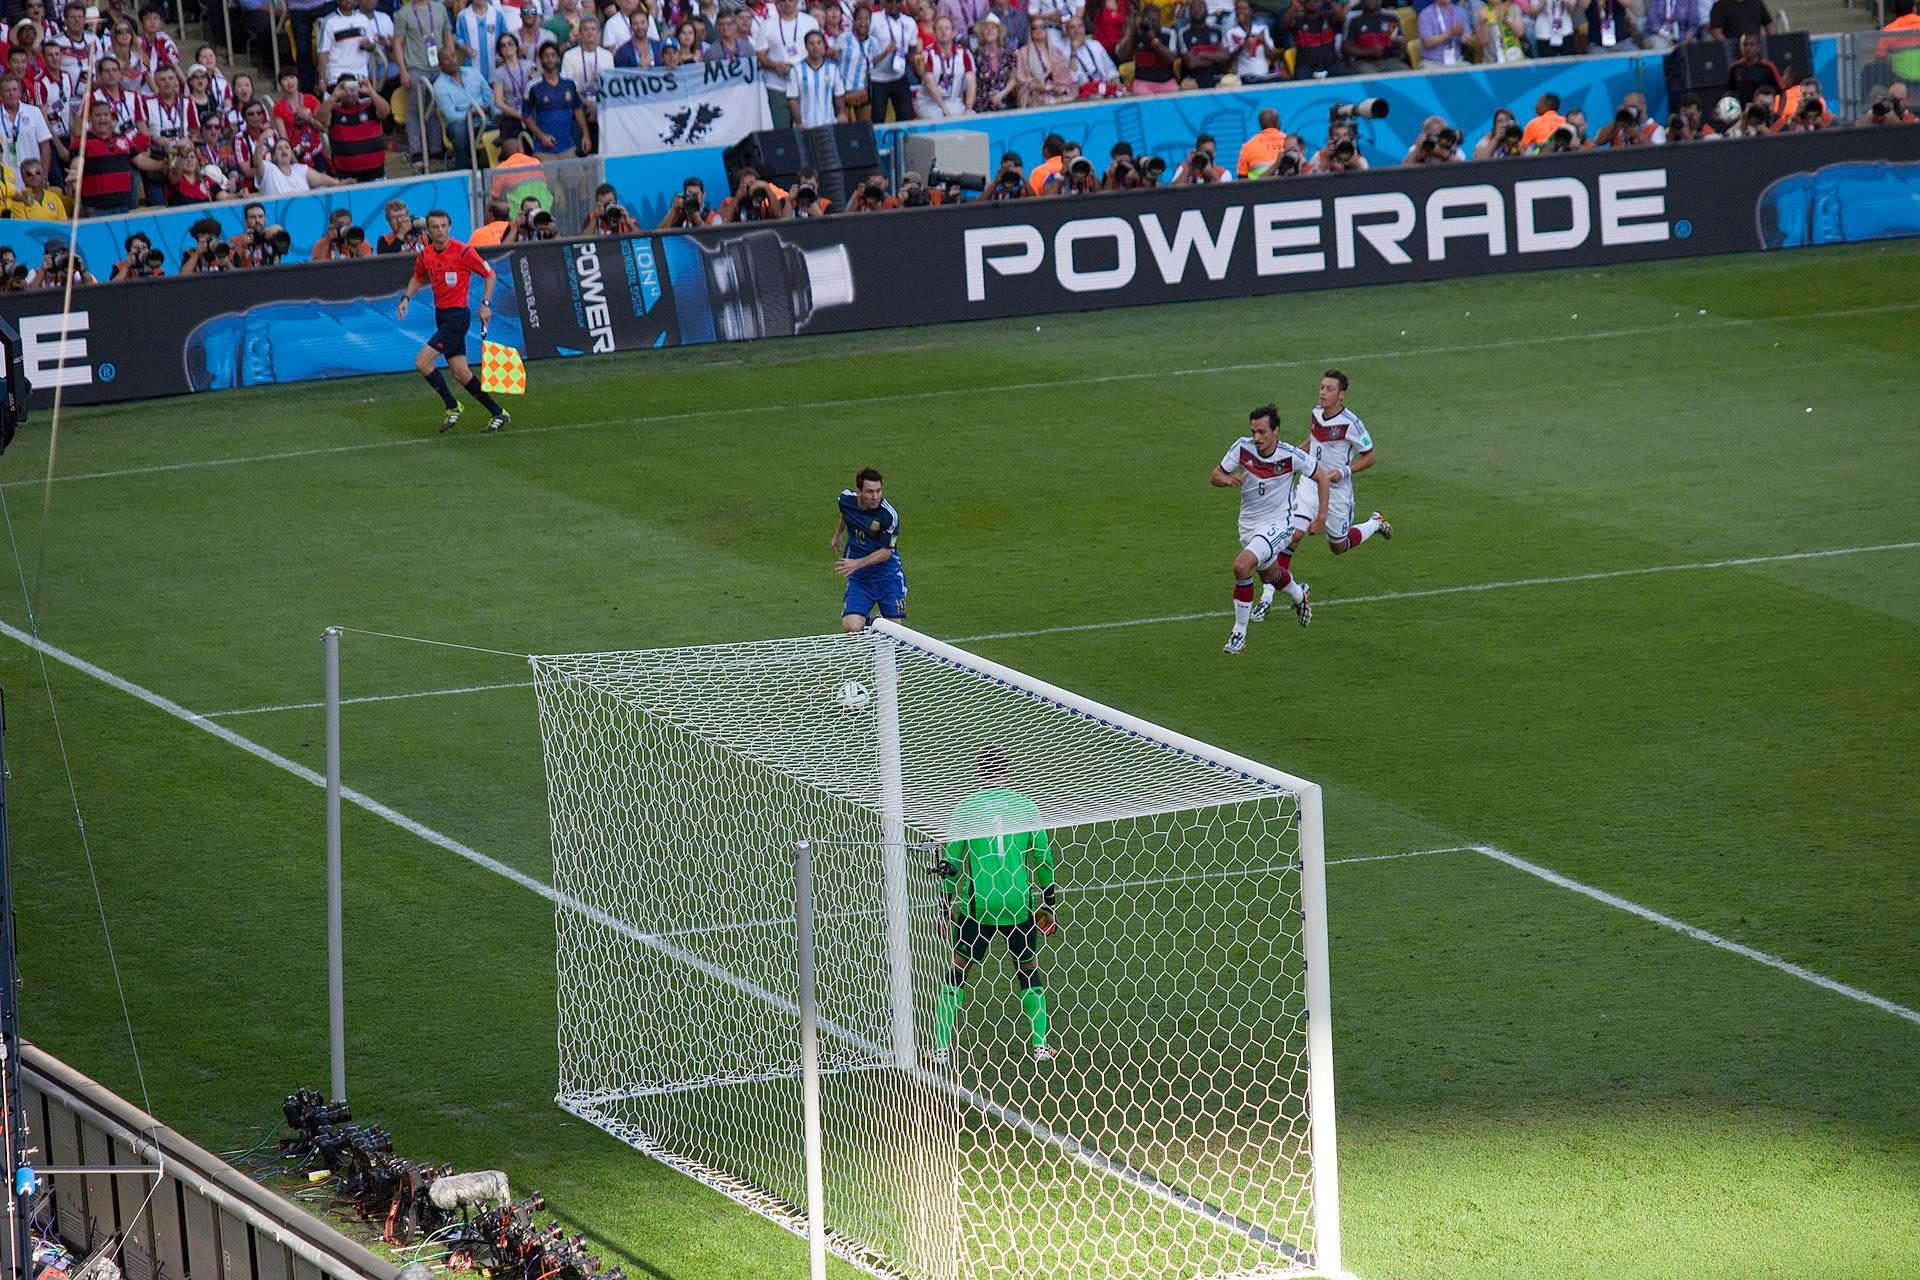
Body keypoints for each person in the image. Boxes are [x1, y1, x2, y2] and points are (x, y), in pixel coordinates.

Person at [928, 746, 1058, 1066]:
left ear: (980, 772)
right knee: (1027, 969)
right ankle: (1041, 1046)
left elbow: (951, 862)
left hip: (979, 906)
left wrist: (944, 909)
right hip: (1019, 904)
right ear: (1007, 772)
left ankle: (941, 1048)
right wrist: (1050, 904)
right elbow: (1043, 858)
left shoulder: (966, 808)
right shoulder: (1026, 806)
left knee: (958, 970)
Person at [1213, 404, 1320, 653]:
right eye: (1253, 432)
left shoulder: (1290, 455)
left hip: (1279, 525)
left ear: (1276, 431)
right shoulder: (1242, 448)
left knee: (1242, 566)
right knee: (1269, 575)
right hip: (1248, 525)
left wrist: (1321, 516)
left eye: (1261, 432)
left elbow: (1321, 476)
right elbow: (1215, 475)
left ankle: (1238, 634)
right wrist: (1228, 479)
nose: (1256, 438)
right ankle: (1298, 595)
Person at [398, 209, 510, 434]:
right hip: (442, 316)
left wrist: (485, 304)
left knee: (422, 363)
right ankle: (498, 412)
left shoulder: (463, 252)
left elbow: (490, 275)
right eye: (435, 227)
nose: (439, 231)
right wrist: (407, 298)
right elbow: (418, 276)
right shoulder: (426, 255)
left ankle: (452, 405)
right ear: (428, 230)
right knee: (460, 373)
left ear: (449, 227)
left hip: (457, 318)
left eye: (443, 226)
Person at [1289, 369, 1389, 578]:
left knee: (1338, 547)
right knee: (1294, 534)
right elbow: (1312, 441)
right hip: (1310, 482)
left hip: (1337, 491)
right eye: (1322, 387)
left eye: (1329, 389)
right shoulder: (1317, 412)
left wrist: (1344, 471)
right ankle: (1270, 594)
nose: (1323, 392)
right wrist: (1292, 458)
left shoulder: (1351, 424)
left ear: (1341, 394)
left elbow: (1370, 457)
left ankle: (1375, 522)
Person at [833, 467, 906, 630]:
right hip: (861, 578)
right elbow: (846, 513)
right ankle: (877, 627)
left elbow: (886, 552)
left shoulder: (888, 515)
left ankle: (881, 625)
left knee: (896, 634)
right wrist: (838, 534)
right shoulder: (845, 499)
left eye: (878, 491)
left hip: (888, 576)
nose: (875, 497)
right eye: (870, 492)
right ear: (859, 492)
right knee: (851, 627)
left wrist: (856, 563)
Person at [755, 0, 820, 126]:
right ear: (777, 3)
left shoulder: (810, 22)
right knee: (781, 132)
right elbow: (760, 54)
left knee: (807, 128)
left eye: (790, 0)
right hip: (777, 86)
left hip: (804, 84)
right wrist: (774, 65)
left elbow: (817, 49)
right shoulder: (767, 25)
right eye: (783, 0)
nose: (787, 3)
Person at [318, 74, 392, 181]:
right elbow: (321, 119)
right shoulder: (333, 109)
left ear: (357, 89)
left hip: (377, 175)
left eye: (352, 89)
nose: (349, 93)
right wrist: (334, 96)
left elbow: (385, 112)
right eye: (344, 90)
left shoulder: (369, 103)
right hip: (346, 178)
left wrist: (371, 92)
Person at [429, 45, 492, 168]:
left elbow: (489, 96)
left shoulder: (473, 72)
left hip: (484, 118)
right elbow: (452, 117)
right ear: (440, 65)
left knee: (509, 119)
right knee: (458, 131)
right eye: (446, 59)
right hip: (462, 124)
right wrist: (472, 113)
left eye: (453, 56)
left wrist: (493, 111)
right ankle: (463, 171)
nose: (451, 60)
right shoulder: (439, 86)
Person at [525, 41, 587, 155]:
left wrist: (586, 135)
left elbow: (578, 110)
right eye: (546, 56)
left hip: (568, 147)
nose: (550, 59)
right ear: (541, 59)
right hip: (543, 149)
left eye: (553, 55)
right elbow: (526, 117)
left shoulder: (569, 82)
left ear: (558, 59)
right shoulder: (533, 86)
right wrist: (542, 137)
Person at [866, 0, 919, 121]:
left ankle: (902, 140)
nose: (894, 5)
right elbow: (864, 44)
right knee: (878, 119)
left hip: (899, 76)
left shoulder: (909, 22)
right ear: (883, 2)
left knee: (906, 116)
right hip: (877, 78)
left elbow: (912, 50)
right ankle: (879, 140)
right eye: (890, 1)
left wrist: (918, 65)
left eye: (898, 1)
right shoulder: (874, 19)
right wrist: (885, 52)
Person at [0, 74, 54, 179]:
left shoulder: (34, 112)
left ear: (20, 92)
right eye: (7, 90)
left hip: (32, 181)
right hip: (5, 184)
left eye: (14, 89)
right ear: (1, 94)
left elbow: (45, 146)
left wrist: (44, 177)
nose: (11, 94)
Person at [919, 14, 974, 114]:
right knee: (941, 120)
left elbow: (971, 81)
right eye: (939, 29)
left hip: (954, 102)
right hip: (929, 103)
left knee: (973, 118)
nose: (943, 31)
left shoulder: (964, 53)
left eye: (947, 28)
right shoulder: (927, 54)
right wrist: (944, 108)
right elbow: (929, 84)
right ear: (934, 33)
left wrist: (969, 107)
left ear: (953, 32)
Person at [790, 28, 847, 124]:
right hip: (805, 126)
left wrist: (841, 113)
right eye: (811, 43)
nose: (815, 46)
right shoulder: (796, 70)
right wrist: (799, 123)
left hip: (828, 124)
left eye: (819, 43)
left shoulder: (833, 68)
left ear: (823, 45)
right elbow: (793, 99)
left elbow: (839, 95)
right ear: (806, 46)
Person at [318, 0, 377, 88]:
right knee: (347, 99)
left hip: (361, 76)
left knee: (364, 101)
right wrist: (321, 79)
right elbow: (323, 53)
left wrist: (369, 46)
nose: (348, 0)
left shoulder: (363, 19)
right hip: (337, 77)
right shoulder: (328, 22)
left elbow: (372, 46)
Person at [491, 32, 534, 140]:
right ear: (500, 51)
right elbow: (498, 102)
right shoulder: (498, 73)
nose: (507, 46)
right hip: (513, 116)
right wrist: (520, 116)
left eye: (510, 43)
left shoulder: (529, 65)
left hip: (533, 113)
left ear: (516, 46)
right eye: (503, 45)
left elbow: (539, 89)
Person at [1343, 0, 1407, 71]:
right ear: (1361, 2)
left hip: (1390, 60)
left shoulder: (1391, 17)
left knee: (1406, 72)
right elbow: (1347, 47)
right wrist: (1369, 52)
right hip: (1363, 62)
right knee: (1371, 76)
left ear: (1380, 1)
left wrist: (1399, 43)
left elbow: (1401, 42)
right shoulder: (1354, 20)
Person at [973, 13, 1019, 107]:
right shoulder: (976, 54)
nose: (990, 30)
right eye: (986, 28)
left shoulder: (1009, 53)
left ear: (999, 32)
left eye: (993, 27)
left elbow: (1013, 79)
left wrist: (1001, 95)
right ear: (982, 33)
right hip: (982, 104)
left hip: (1005, 101)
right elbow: (972, 82)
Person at [1224, 0, 1275, 80]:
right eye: (1237, 9)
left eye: (1244, 9)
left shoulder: (1262, 29)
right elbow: (1229, 60)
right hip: (1242, 76)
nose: (1240, 12)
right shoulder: (1231, 32)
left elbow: (1271, 57)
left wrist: (1264, 41)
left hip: (1263, 74)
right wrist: (1242, 46)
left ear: (1251, 11)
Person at [1726, 33, 1782, 105]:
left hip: (1763, 113)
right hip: (1742, 113)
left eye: (1751, 45)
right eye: (1744, 45)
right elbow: (1730, 92)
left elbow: (1782, 92)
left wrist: (1778, 113)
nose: (1747, 48)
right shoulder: (1735, 67)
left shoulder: (1768, 66)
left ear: (1758, 47)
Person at [1236, 107, 1287, 177]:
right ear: (1277, 122)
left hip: (1259, 187)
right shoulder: (1290, 141)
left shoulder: (1248, 146)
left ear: (1260, 124)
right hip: (1288, 186)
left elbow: (1242, 178)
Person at [1417, 0, 1469, 65]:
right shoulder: (1425, 14)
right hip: (1431, 63)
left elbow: (1467, 39)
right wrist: (1451, 33)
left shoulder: (1461, 12)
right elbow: (1428, 42)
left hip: (1457, 61)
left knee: (1473, 71)